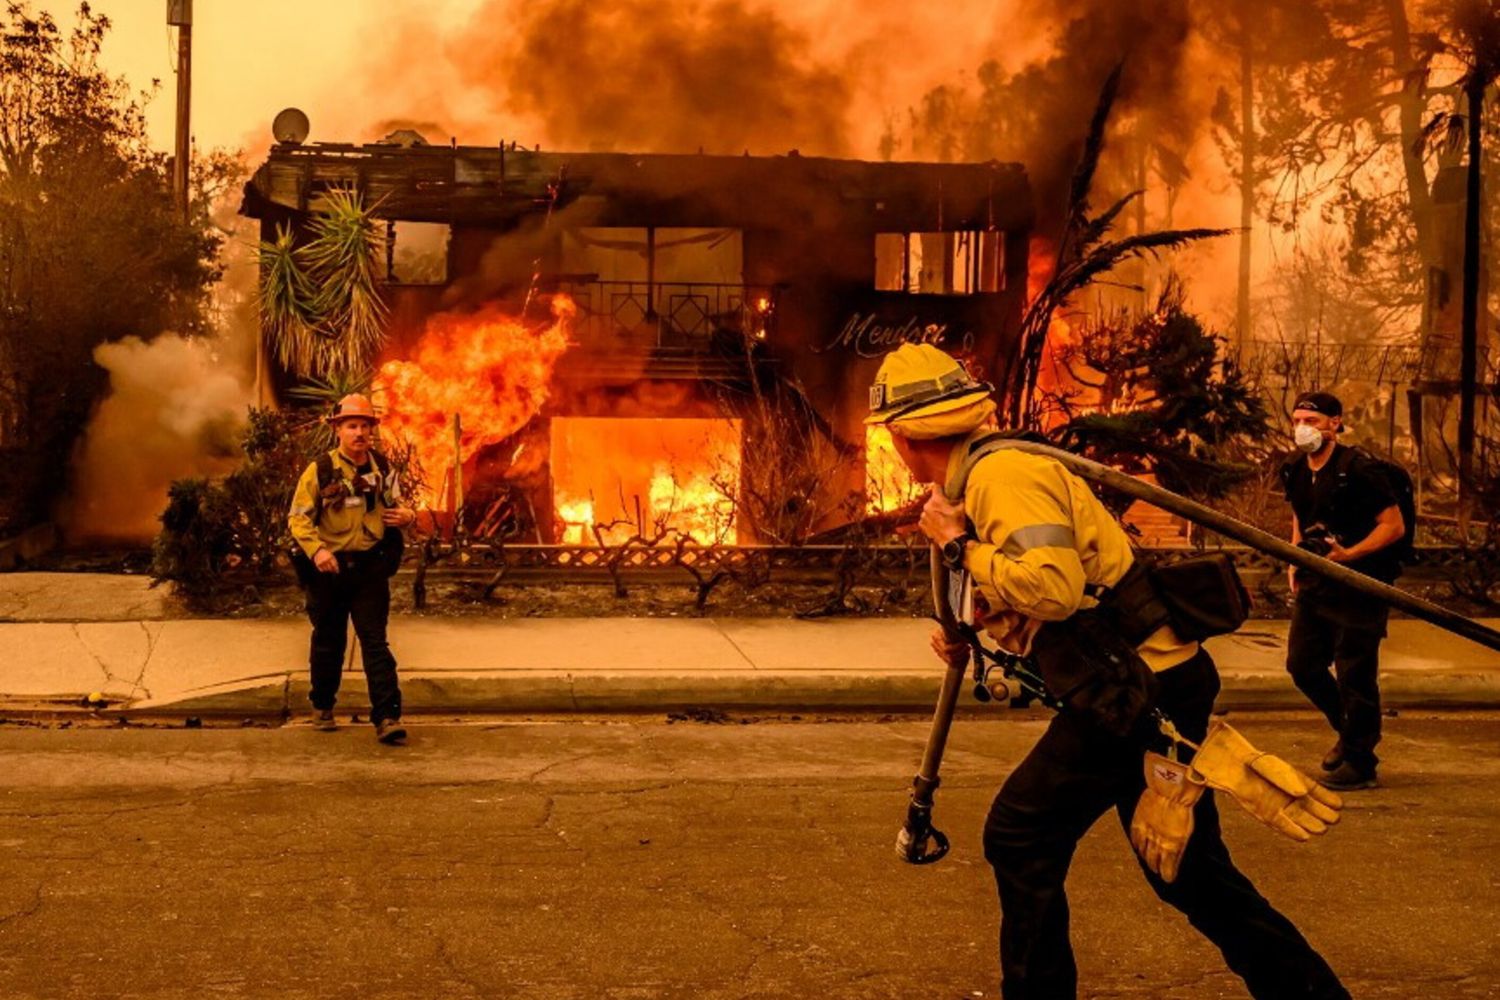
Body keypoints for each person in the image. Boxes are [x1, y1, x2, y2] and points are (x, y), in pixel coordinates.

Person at [869, 343, 1349, 1000]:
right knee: (1187, 874)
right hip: (1145, 681)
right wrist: (967, 625)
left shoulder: (999, 477)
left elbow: (1054, 589)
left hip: (1136, 689)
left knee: (1020, 832)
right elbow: (1025, 581)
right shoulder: (979, 477)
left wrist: (958, 544)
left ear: (901, 434)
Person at [1281, 390, 1405, 790]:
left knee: (1355, 672)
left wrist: (1349, 555)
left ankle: (1360, 761)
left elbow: (1393, 526)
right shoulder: (1296, 469)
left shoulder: (1360, 470)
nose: (1303, 428)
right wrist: (1294, 559)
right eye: (1298, 420)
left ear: (1335, 423)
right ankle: (1350, 734)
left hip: (1361, 584)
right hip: (1316, 582)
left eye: (1312, 421)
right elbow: (1301, 517)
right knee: (1303, 665)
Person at [288, 393, 417, 745]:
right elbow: (298, 520)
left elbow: (399, 505)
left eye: (365, 426)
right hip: (328, 572)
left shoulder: (382, 468)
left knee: (375, 643)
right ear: (338, 430)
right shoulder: (320, 470)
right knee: (329, 641)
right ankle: (323, 706)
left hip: (368, 570)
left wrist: (407, 516)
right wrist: (316, 552)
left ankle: (387, 717)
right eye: (352, 426)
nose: (360, 432)